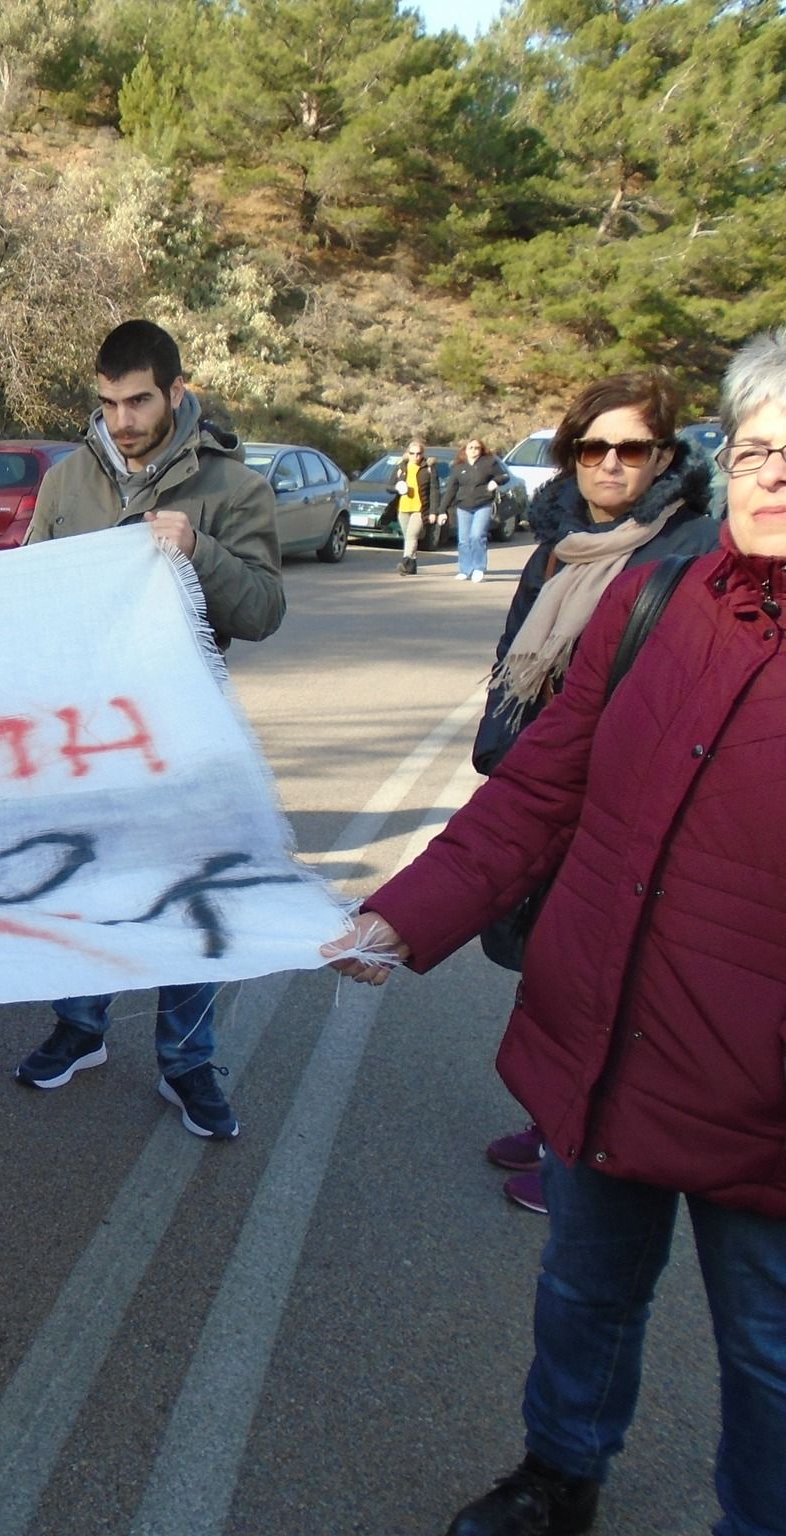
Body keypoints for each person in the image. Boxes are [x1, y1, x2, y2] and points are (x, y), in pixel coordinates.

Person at [323, 332, 786, 1536]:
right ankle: (556, 1477)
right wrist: (402, 914)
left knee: (769, 1357)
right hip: (603, 1034)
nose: (772, 477)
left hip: (760, 1090)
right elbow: (538, 789)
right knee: (584, 1291)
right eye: (755, 449)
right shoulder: (651, 600)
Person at [13, 319, 285, 1138]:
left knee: (188, 898)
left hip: (182, 731)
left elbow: (263, 612)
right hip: (85, 732)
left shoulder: (234, 489)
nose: (122, 420)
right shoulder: (68, 481)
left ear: (176, 391)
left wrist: (199, 548)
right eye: (108, 403)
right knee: (88, 880)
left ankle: (188, 1061)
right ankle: (80, 1026)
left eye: (138, 401)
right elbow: (27, 592)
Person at [468, 373, 718, 1218]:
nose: (610, 464)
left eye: (631, 449)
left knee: (601, 976)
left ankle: (575, 1152)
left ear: (665, 459)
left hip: (624, 795)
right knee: (548, 964)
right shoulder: (558, 543)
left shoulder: (689, 550)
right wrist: (502, 749)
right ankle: (552, 1119)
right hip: (545, 775)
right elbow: (515, 646)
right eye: (592, 447)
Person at [443, 436, 507, 583]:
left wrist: (495, 481)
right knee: (464, 540)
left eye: (477, 448)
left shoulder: (489, 462)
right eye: (470, 448)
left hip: (483, 504)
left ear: (481, 449)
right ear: (465, 450)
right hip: (463, 506)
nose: (473, 451)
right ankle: (465, 570)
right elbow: (451, 490)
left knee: (477, 536)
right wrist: (441, 510)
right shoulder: (458, 466)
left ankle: (479, 568)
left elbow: (504, 476)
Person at [394, 435, 439, 575]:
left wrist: (433, 512)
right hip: (403, 508)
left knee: (411, 535)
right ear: (408, 453)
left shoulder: (428, 468)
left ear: (423, 454)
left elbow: (434, 491)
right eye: (412, 453)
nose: (415, 456)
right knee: (408, 537)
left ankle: (405, 562)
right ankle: (412, 566)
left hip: (420, 509)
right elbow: (389, 486)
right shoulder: (401, 467)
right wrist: (399, 486)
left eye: (418, 453)